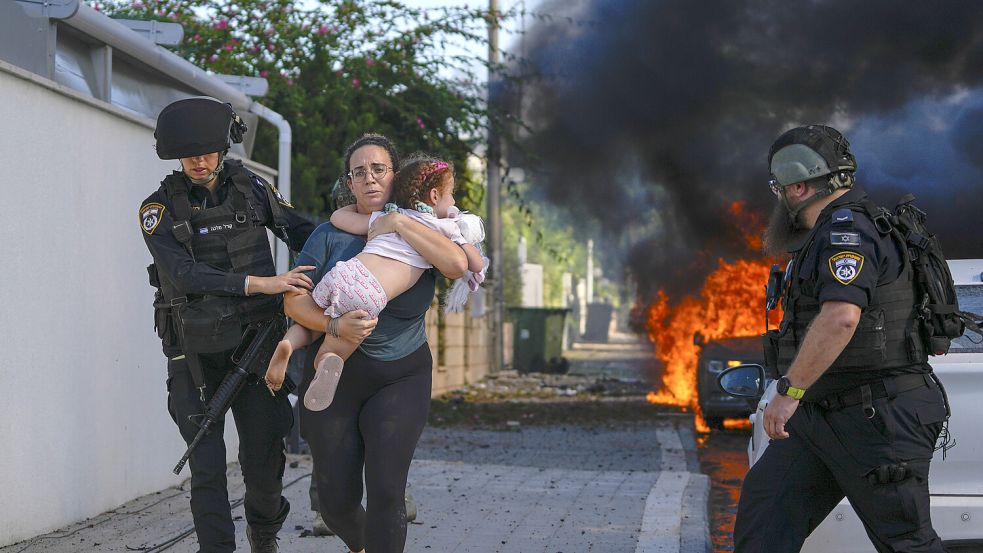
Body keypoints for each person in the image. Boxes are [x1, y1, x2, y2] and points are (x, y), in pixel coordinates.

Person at [734, 125, 949, 552]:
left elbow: (841, 318)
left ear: (797, 187)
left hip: (878, 418)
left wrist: (790, 390)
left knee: (907, 543)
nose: (778, 198)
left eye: (779, 187)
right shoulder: (830, 232)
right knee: (763, 527)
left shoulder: (846, 232)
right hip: (821, 418)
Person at [139, 97, 317, 553]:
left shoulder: (252, 189)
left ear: (223, 149)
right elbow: (185, 274)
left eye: (208, 151)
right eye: (190, 154)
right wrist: (261, 283)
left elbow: (301, 232)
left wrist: (327, 271)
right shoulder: (157, 209)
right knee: (208, 464)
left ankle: (264, 531)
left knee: (263, 463)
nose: (199, 161)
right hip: (194, 354)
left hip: (257, 345)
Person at [285, 134, 468, 553]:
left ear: (397, 176)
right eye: (359, 172)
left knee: (387, 488)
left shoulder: (424, 227)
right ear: (349, 182)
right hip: (335, 375)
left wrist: (399, 222)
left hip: (400, 375)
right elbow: (294, 300)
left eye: (378, 169)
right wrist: (334, 326)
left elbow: (458, 265)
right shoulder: (328, 234)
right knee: (335, 503)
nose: (369, 179)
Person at [264, 156, 486, 411]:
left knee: (313, 320)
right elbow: (474, 264)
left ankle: (288, 344)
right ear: (435, 196)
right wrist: (465, 239)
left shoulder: (388, 216)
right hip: (370, 294)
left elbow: (339, 218)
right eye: (452, 196)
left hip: (345, 273)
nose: (454, 202)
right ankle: (328, 360)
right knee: (338, 343)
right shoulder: (443, 229)